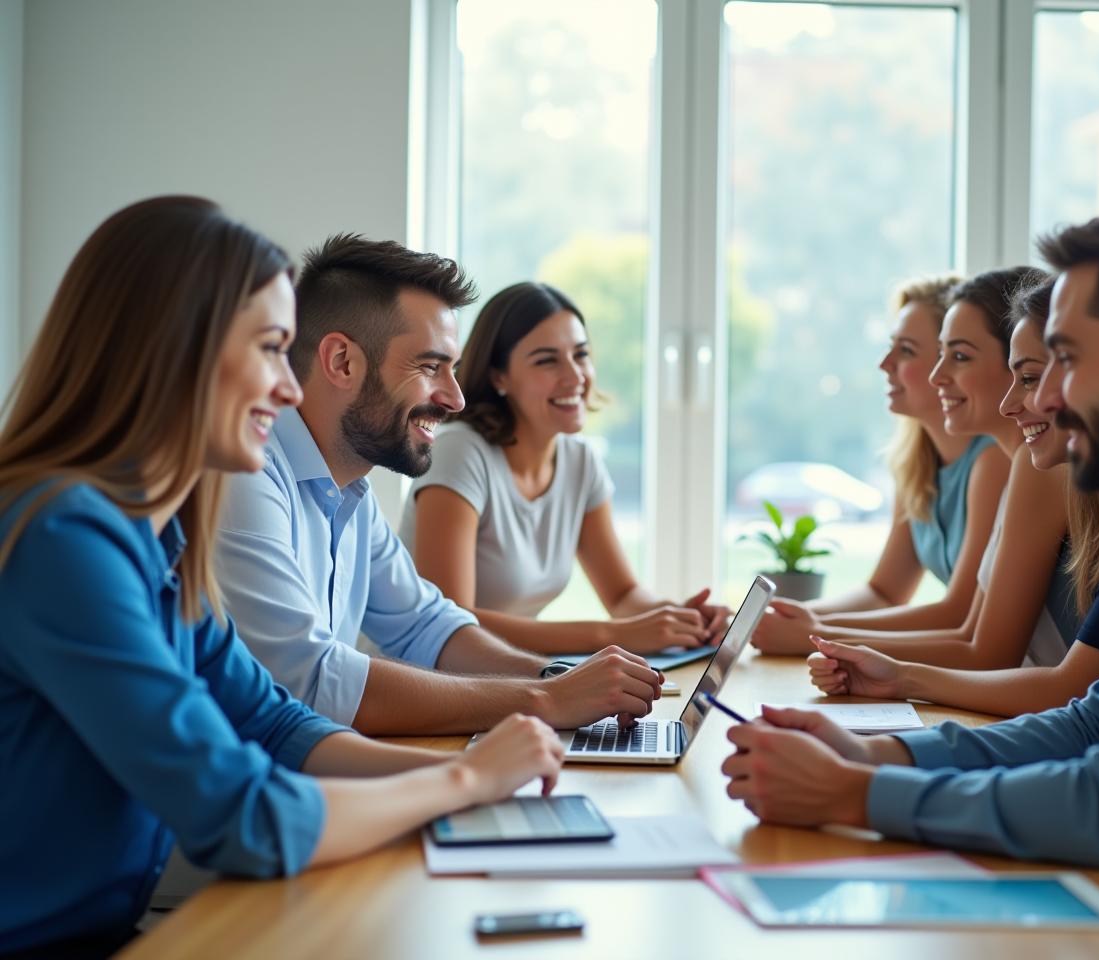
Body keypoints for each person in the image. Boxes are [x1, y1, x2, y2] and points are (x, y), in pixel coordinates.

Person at [0, 198, 566, 956]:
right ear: (179, 350)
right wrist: (462, 784)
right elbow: (245, 816)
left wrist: (484, 774)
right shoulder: (62, 537)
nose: (292, 388)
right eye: (271, 348)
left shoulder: (158, 536)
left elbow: (276, 723)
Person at [720, 195, 1099, 929]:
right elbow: (1094, 724)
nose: (1044, 396)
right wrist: (877, 753)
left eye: (1067, 361)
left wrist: (852, 795)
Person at [215, 238, 661, 735]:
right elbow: (311, 679)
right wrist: (547, 699)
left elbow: (427, 626)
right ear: (342, 361)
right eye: (430, 367)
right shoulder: (246, 475)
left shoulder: (350, 494)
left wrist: (558, 678)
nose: (455, 398)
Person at [808, 277, 1099, 716]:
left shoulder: (1086, 482)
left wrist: (843, 645)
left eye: (1032, 377)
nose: (1011, 402)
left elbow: (1024, 666)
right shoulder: (1052, 471)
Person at [759, 267, 1084, 672]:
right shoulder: (1017, 462)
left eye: (959, 356)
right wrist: (819, 631)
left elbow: (983, 648)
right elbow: (961, 630)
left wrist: (826, 639)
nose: (937, 375)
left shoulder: (1022, 465)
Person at [398, 281, 731, 655]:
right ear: (498, 377)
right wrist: (612, 635)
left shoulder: (580, 462)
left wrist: (679, 619)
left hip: (503, 677)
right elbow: (450, 622)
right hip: (425, 685)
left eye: (581, 354)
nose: (575, 376)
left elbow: (622, 595)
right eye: (547, 360)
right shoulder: (460, 452)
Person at [749, 275, 1007, 655]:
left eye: (905, 351)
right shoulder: (916, 462)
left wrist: (815, 633)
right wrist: (787, 616)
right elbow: (884, 591)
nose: (885, 364)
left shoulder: (994, 459)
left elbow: (961, 613)